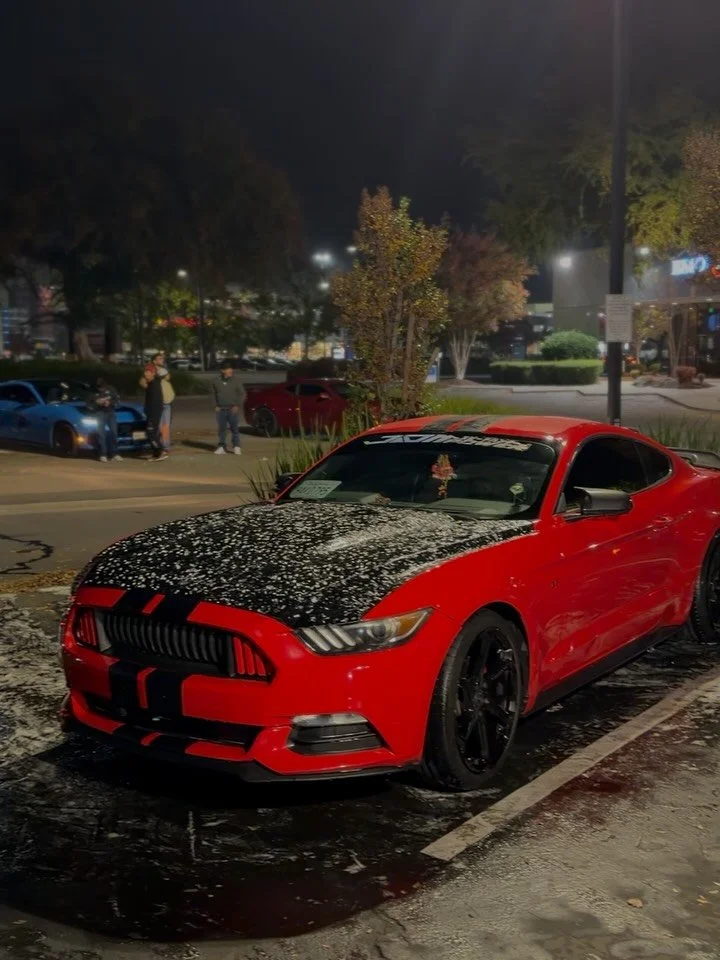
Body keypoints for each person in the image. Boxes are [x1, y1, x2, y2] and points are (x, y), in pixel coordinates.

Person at [212, 361, 244, 455]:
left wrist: (237, 405)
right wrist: (215, 405)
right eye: (227, 369)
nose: (230, 371)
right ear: (222, 370)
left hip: (232, 409)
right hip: (221, 409)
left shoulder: (236, 380)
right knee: (221, 429)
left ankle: (236, 446)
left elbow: (242, 394)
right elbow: (213, 394)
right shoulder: (216, 381)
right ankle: (222, 446)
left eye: (231, 369)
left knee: (234, 429)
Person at [140, 364, 167, 461]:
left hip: (154, 411)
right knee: (153, 432)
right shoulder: (151, 382)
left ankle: (161, 451)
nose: (145, 374)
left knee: (150, 432)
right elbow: (143, 383)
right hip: (150, 411)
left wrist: (156, 366)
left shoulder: (155, 381)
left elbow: (164, 373)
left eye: (148, 372)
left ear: (153, 373)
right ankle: (156, 453)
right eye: (145, 372)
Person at [93, 378, 121, 463]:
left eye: (102, 387)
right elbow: (89, 402)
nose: (101, 389)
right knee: (101, 433)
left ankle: (113, 454)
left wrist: (110, 403)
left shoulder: (111, 389)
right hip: (100, 413)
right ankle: (103, 454)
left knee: (114, 433)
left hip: (111, 412)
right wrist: (97, 402)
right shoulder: (93, 392)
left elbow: (117, 400)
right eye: (99, 388)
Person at [151, 351, 175, 452]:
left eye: (162, 359)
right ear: (154, 361)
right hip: (158, 402)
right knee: (158, 425)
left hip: (167, 402)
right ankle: (158, 445)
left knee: (165, 425)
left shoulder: (162, 369)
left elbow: (168, 377)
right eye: (160, 359)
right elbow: (165, 376)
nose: (162, 360)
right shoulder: (151, 370)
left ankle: (165, 445)